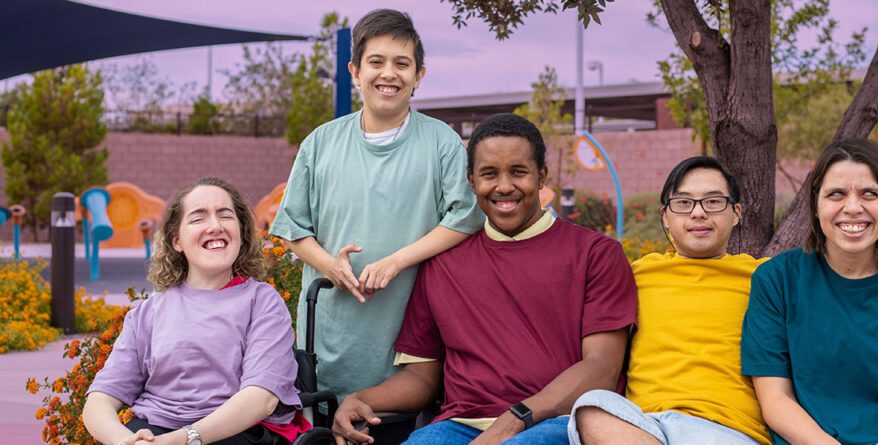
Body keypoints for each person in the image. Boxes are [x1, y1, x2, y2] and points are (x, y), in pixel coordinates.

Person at [332, 113, 638, 445]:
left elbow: (602, 368)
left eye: (518, 172)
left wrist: (513, 421)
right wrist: (362, 399)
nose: (504, 186)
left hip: (558, 422)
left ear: (542, 177)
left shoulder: (596, 253)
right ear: (472, 181)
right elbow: (422, 376)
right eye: (489, 174)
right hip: (457, 427)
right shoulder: (442, 264)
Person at [269, 9, 483, 401]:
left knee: (396, 421)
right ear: (354, 71)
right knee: (325, 417)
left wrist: (397, 261)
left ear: (419, 75)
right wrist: (331, 265)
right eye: (376, 62)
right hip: (330, 331)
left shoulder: (442, 143)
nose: (389, 73)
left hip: (408, 334)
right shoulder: (321, 143)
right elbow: (293, 228)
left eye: (402, 64)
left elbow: (465, 217)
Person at [741, 139, 878, 444]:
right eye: (836, 194)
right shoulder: (777, 280)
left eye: (869, 194)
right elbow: (776, 400)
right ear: (816, 206)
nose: (853, 208)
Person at [83, 177, 308, 445]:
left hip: (235, 432)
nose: (215, 226)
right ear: (177, 241)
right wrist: (124, 441)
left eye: (225, 216)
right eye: (198, 218)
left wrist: (181, 440)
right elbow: (100, 398)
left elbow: (262, 398)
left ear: (241, 233)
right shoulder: (148, 312)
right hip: (154, 430)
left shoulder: (262, 302)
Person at [570, 156, 769, 445]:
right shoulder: (636, 275)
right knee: (590, 406)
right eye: (683, 203)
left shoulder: (764, 277)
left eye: (713, 202)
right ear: (665, 215)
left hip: (723, 428)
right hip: (645, 426)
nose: (698, 213)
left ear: (736, 212)